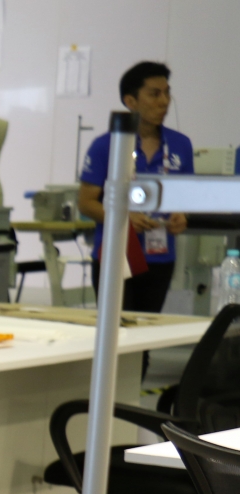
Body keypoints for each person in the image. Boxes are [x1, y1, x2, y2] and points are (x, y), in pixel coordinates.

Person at [79, 61, 192, 314]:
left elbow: (184, 197)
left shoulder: (180, 145)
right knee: (116, 329)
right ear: (130, 101)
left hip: (160, 256)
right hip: (117, 254)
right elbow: (86, 203)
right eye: (154, 94)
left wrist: (181, 215)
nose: (164, 102)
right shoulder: (106, 145)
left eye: (167, 93)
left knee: (146, 330)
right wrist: (123, 217)